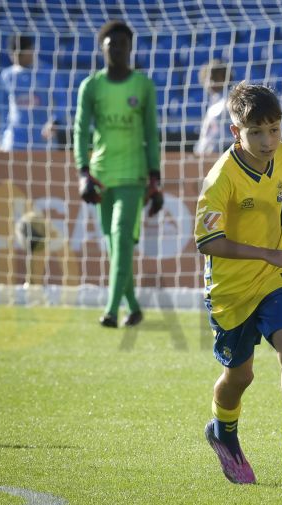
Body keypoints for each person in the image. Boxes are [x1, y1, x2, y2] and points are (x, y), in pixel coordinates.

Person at [194, 82, 282, 486]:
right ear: (236, 132)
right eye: (256, 132)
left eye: (275, 129)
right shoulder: (221, 178)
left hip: (274, 278)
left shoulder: (281, 154)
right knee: (240, 377)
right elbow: (207, 242)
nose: (268, 141)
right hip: (231, 291)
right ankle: (223, 433)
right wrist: (268, 252)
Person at [74, 20, 163, 328]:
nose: (118, 50)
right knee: (114, 246)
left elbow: (151, 133)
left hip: (133, 176)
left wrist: (155, 178)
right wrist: (83, 173)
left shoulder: (143, 86)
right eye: (112, 45)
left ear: (130, 47)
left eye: (123, 45)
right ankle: (134, 307)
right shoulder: (91, 86)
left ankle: (111, 311)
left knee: (122, 238)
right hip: (101, 175)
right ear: (102, 48)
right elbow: (80, 131)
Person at [0, 34, 57, 151]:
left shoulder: (48, 73)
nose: (16, 59)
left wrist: (54, 121)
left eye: (20, 55)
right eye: (13, 55)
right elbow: (3, 110)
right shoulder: (7, 75)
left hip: (42, 137)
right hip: (14, 139)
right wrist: (1, 138)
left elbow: (62, 101)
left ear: (31, 50)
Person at [193, 59, 233, 155]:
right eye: (209, 79)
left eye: (216, 79)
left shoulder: (230, 101)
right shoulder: (213, 101)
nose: (212, 83)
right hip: (208, 153)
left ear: (225, 79)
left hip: (224, 151)